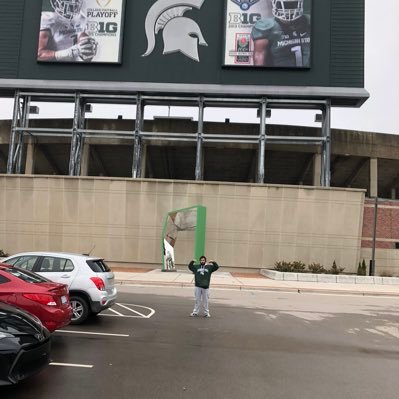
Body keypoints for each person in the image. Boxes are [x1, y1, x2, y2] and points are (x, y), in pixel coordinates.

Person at [251, 0, 311, 67]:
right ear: (275, 5)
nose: (288, 11)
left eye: (292, 5)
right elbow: (259, 55)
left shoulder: (308, 22)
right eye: (284, 5)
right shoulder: (267, 27)